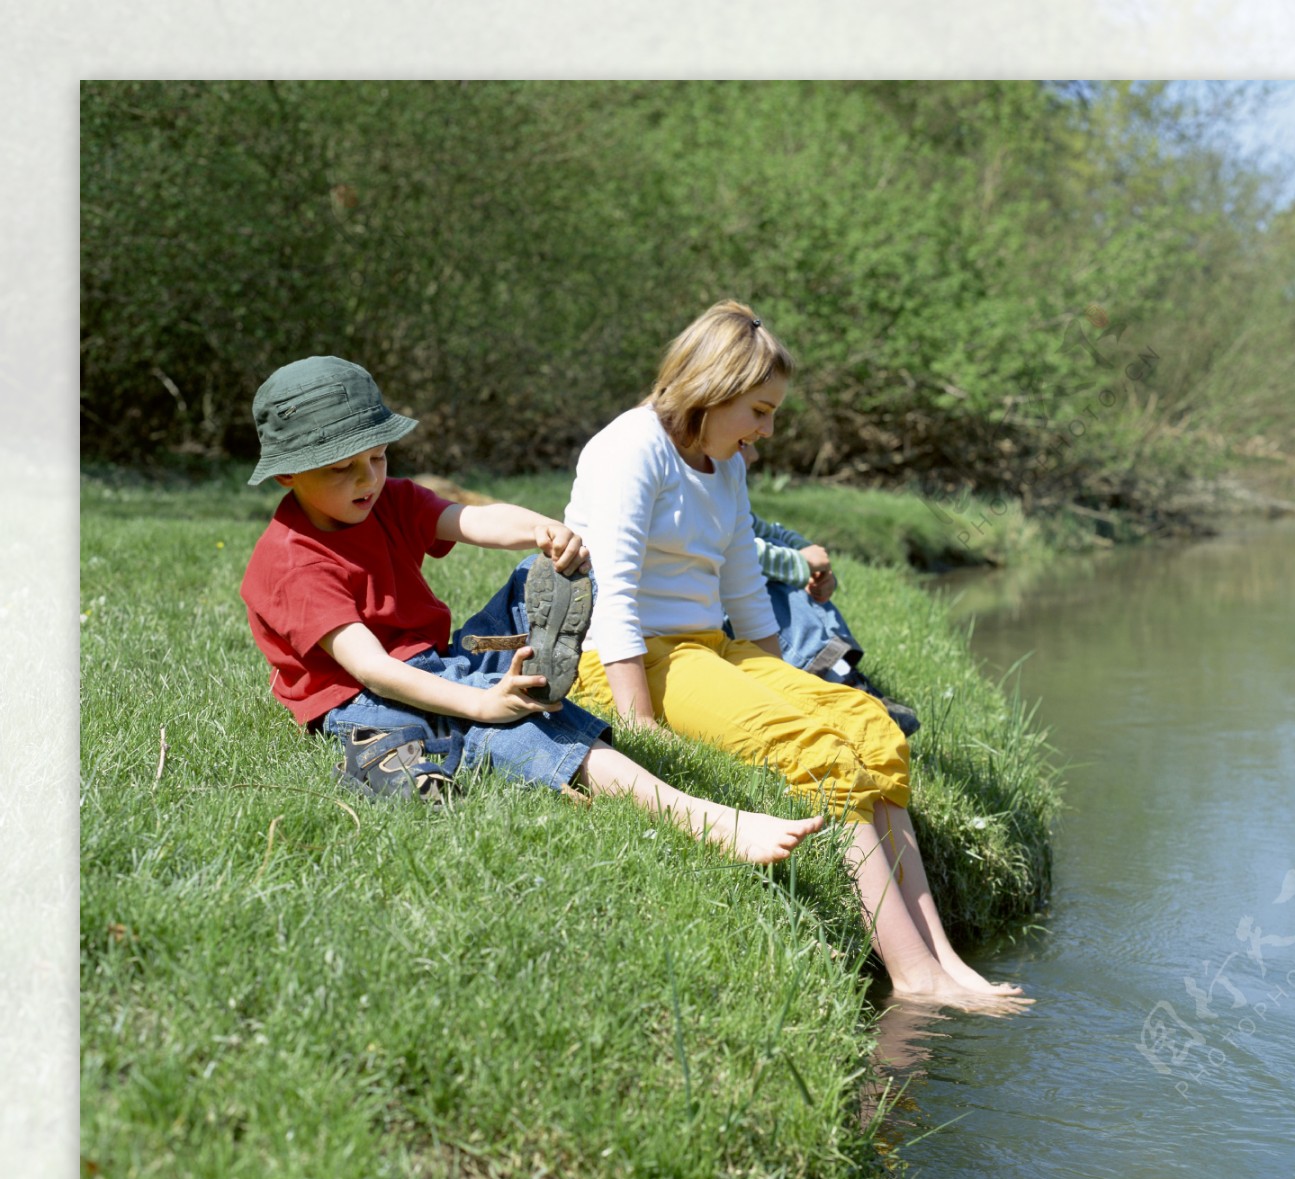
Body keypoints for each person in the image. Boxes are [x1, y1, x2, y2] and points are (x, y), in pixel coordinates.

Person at [564, 301, 1026, 1003]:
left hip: (707, 648)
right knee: (816, 752)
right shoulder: (631, 449)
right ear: (711, 389)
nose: (767, 430)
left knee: (871, 729)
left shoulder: (726, 466)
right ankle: (913, 977)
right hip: (623, 658)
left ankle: (945, 959)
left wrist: (781, 681)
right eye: (759, 410)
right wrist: (641, 726)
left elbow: (746, 590)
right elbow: (614, 594)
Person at [238, 355, 823, 866]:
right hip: (361, 695)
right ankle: (699, 817)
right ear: (288, 474)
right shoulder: (293, 564)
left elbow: (469, 520)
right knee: (510, 723)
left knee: (533, 579)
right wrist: (480, 704)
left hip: (430, 657)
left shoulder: (384, 500)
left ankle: (515, 685)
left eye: (379, 456)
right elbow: (371, 669)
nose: (367, 478)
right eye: (342, 468)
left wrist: (541, 530)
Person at [737, 446, 921, 736]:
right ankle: (834, 684)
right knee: (761, 578)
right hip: (706, 619)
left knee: (784, 556)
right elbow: (734, 553)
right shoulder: (699, 497)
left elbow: (769, 531)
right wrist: (800, 564)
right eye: (744, 445)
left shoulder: (727, 499)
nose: (756, 455)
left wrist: (808, 556)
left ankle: (844, 677)